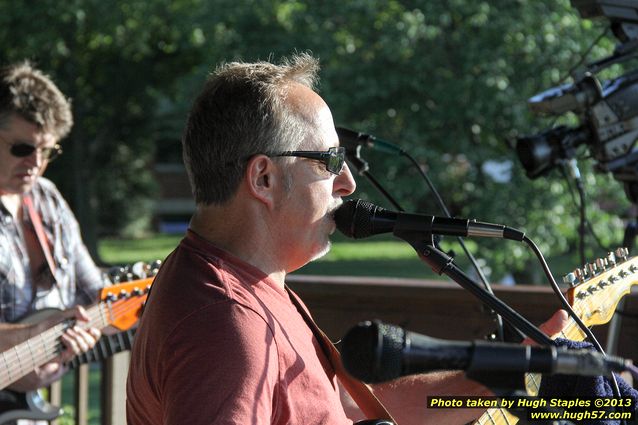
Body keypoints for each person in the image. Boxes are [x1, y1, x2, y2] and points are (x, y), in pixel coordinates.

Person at [126, 53, 569, 425]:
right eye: (329, 159)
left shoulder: (248, 285)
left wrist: (518, 372)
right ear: (263, 177)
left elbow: (343, 404)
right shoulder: (225, 324)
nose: (348, 182)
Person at [0, 61, 104, 395]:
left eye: (46, 151)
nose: (36, 164)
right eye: (22, 149)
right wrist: (35, 336)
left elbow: (94, 294)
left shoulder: (47, 199)